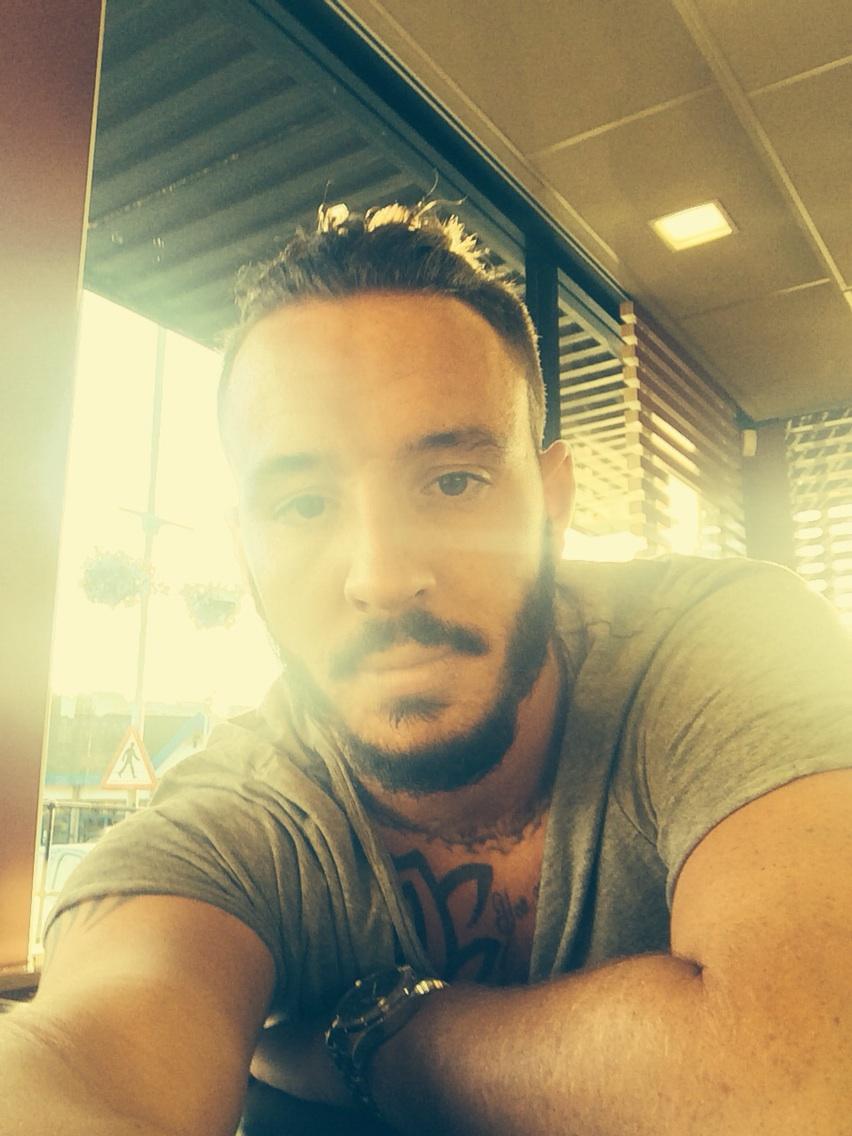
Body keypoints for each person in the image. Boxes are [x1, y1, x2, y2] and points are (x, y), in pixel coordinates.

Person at [2, 201, 851, 1136]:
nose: (382, 577)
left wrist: (380, 1038)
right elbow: (84, 1060)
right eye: (302, 505)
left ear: (550, 508)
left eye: (453, 483)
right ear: (245, 548)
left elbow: (809, 1077)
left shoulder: (724, 646)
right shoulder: (240, 820)